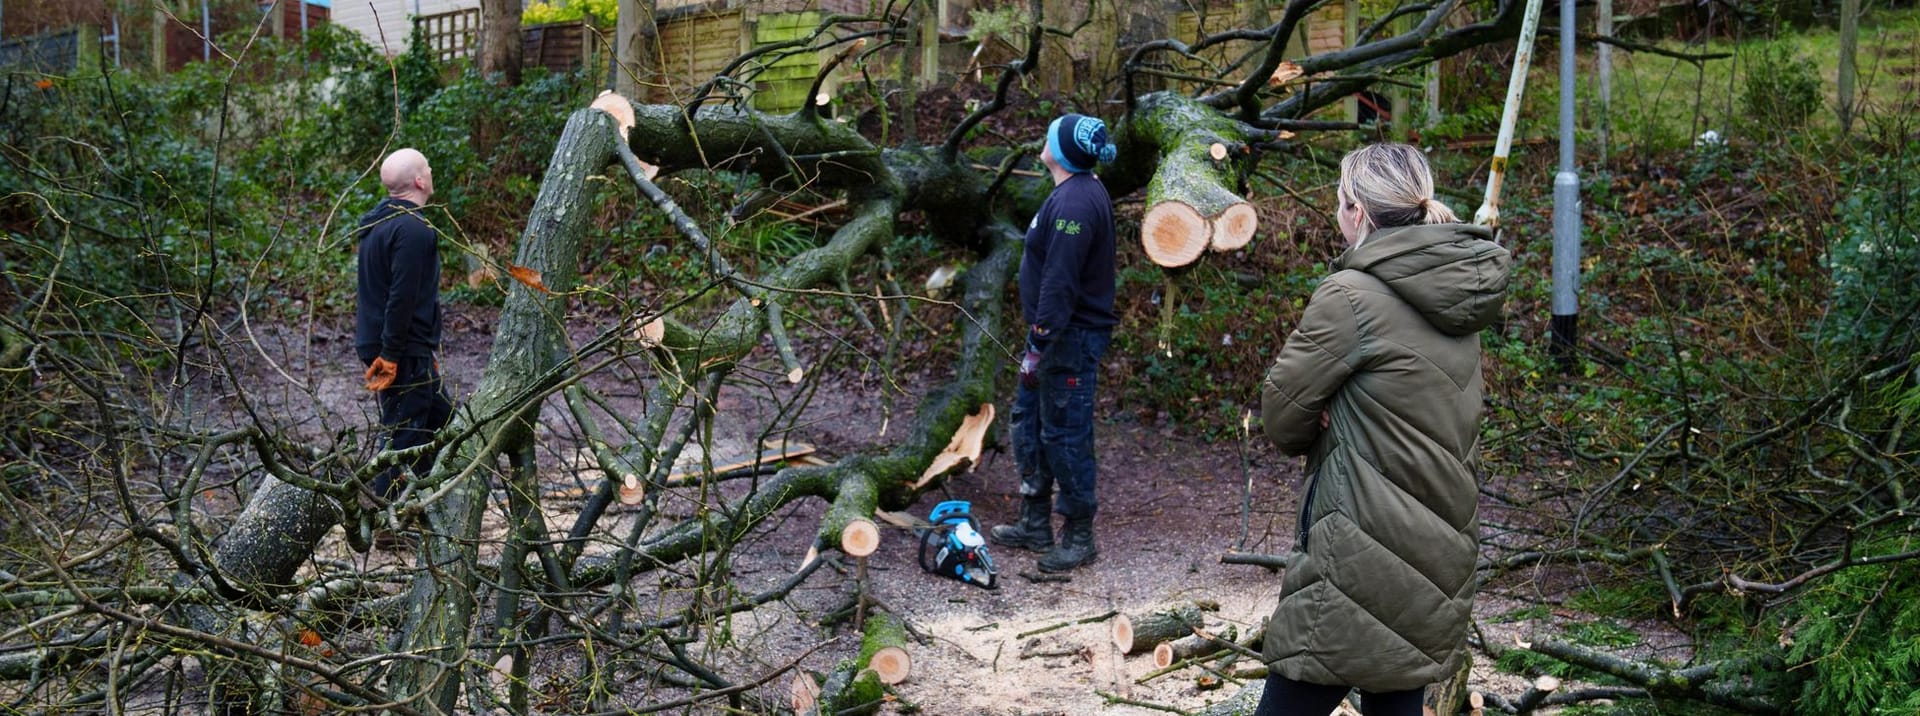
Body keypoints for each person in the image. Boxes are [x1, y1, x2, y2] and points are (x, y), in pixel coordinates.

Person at [1255, 143, 1510, 715]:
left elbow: (1282, 417)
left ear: (1357, 212)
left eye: (1340, 202)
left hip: (1356, 550)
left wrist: (1328, 408)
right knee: (1397, 698)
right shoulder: (1459, 295)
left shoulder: (1349, 296)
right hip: (1439, 547)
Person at [988, 113, 1119, 573]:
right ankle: (1034, 522)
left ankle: (1079, 535)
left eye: (1050, 134)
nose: (1042, 137)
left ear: (1061, 151)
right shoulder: (1072, 193)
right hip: (1051, 335)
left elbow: (1060, 283)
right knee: (1029, 425)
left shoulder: (1076, 204)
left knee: (1065, 434)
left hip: (1066, 338)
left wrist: (1039, 342)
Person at [356, 148, 454, 511]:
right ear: (419, 180)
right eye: (428, 167)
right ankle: (387, 516)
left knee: (443, 421)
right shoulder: (413, 229)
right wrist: (394, 355)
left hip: (395, 344)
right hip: (397, 347)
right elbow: (401, 296)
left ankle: (432, 502)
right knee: (407, 432)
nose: (431, 171)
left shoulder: (378, 222)